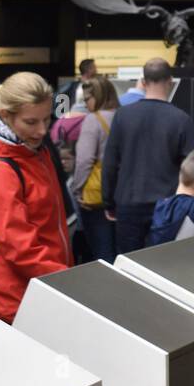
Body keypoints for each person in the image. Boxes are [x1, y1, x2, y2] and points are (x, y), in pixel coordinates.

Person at [0, 72, 73, 323]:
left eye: (46, 119)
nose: (42, 130)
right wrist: (68, 281)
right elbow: (21, 249)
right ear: (5, 116)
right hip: (11, 303)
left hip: (41, 291)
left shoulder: (34, 152)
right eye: (31, 122)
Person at [102, 59, 194, 255]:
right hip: (166, 206)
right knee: (162, 264)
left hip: (128, 202)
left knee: (128, 264)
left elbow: (111, 163)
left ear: (143, 82)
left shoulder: (122, 116)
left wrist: (108, 202)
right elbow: (193, 167)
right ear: (170, 81)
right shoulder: (181, 119)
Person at [71, 75, 119, 263]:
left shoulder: (93, 120)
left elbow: (85, 160)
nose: (86, 104)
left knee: (101, 252)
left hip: (96, 194)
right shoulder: (124, 116)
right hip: (122, 192)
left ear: (98, 97)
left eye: (87, 99)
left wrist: (77, 189)